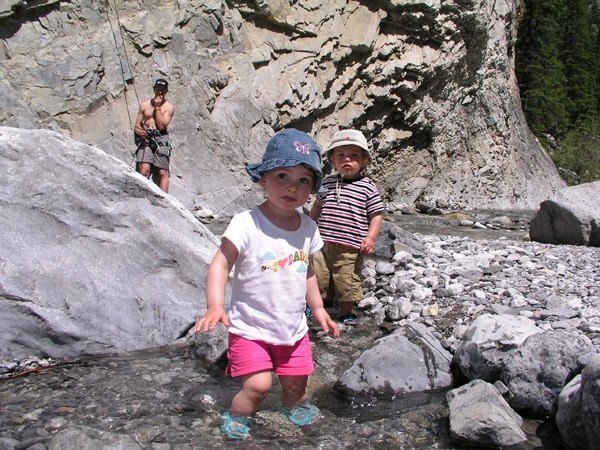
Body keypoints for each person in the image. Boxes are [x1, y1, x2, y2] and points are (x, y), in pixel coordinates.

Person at [192, 128, 340, 440]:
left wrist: (319, 308)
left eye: (303, 180)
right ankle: (238, 417)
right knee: (258, 386)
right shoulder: (247, 223)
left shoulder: (309, 228)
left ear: (312, 189)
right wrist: (216, 305)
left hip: (293, 329)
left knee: (297, 383)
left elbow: (308, 272)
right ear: (263, 179)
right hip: (251, 329)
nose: (292, 187)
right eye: (283, 176)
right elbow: (221, 263)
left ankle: (290, 412)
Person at [309, 129, 384, 327]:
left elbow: (376, 215)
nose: (347, 160)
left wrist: (370, 238)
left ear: (364, 160)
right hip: (322, 242)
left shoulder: (367, 186)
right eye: (341, 155)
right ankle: (316, 305)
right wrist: (308, 227)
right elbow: (318, 205)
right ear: (333, 159)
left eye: (354, 156)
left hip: (351, 245)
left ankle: (345, 312)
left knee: (347, 279)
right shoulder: (328, 182)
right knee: (318, 275)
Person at [133, 78, 175, 193]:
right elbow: (137, 125)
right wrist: (140, 132)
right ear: (154, 89)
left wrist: (157, 108)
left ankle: (165, 201)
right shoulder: (145, 105)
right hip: (146, 139)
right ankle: (140, 197)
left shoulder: (169, 107)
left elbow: (162, 126)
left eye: (162, 90)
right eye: (158, 90)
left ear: (166, 92)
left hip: (161, 138)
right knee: (144, 170)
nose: (160, 92)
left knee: (162, 172)